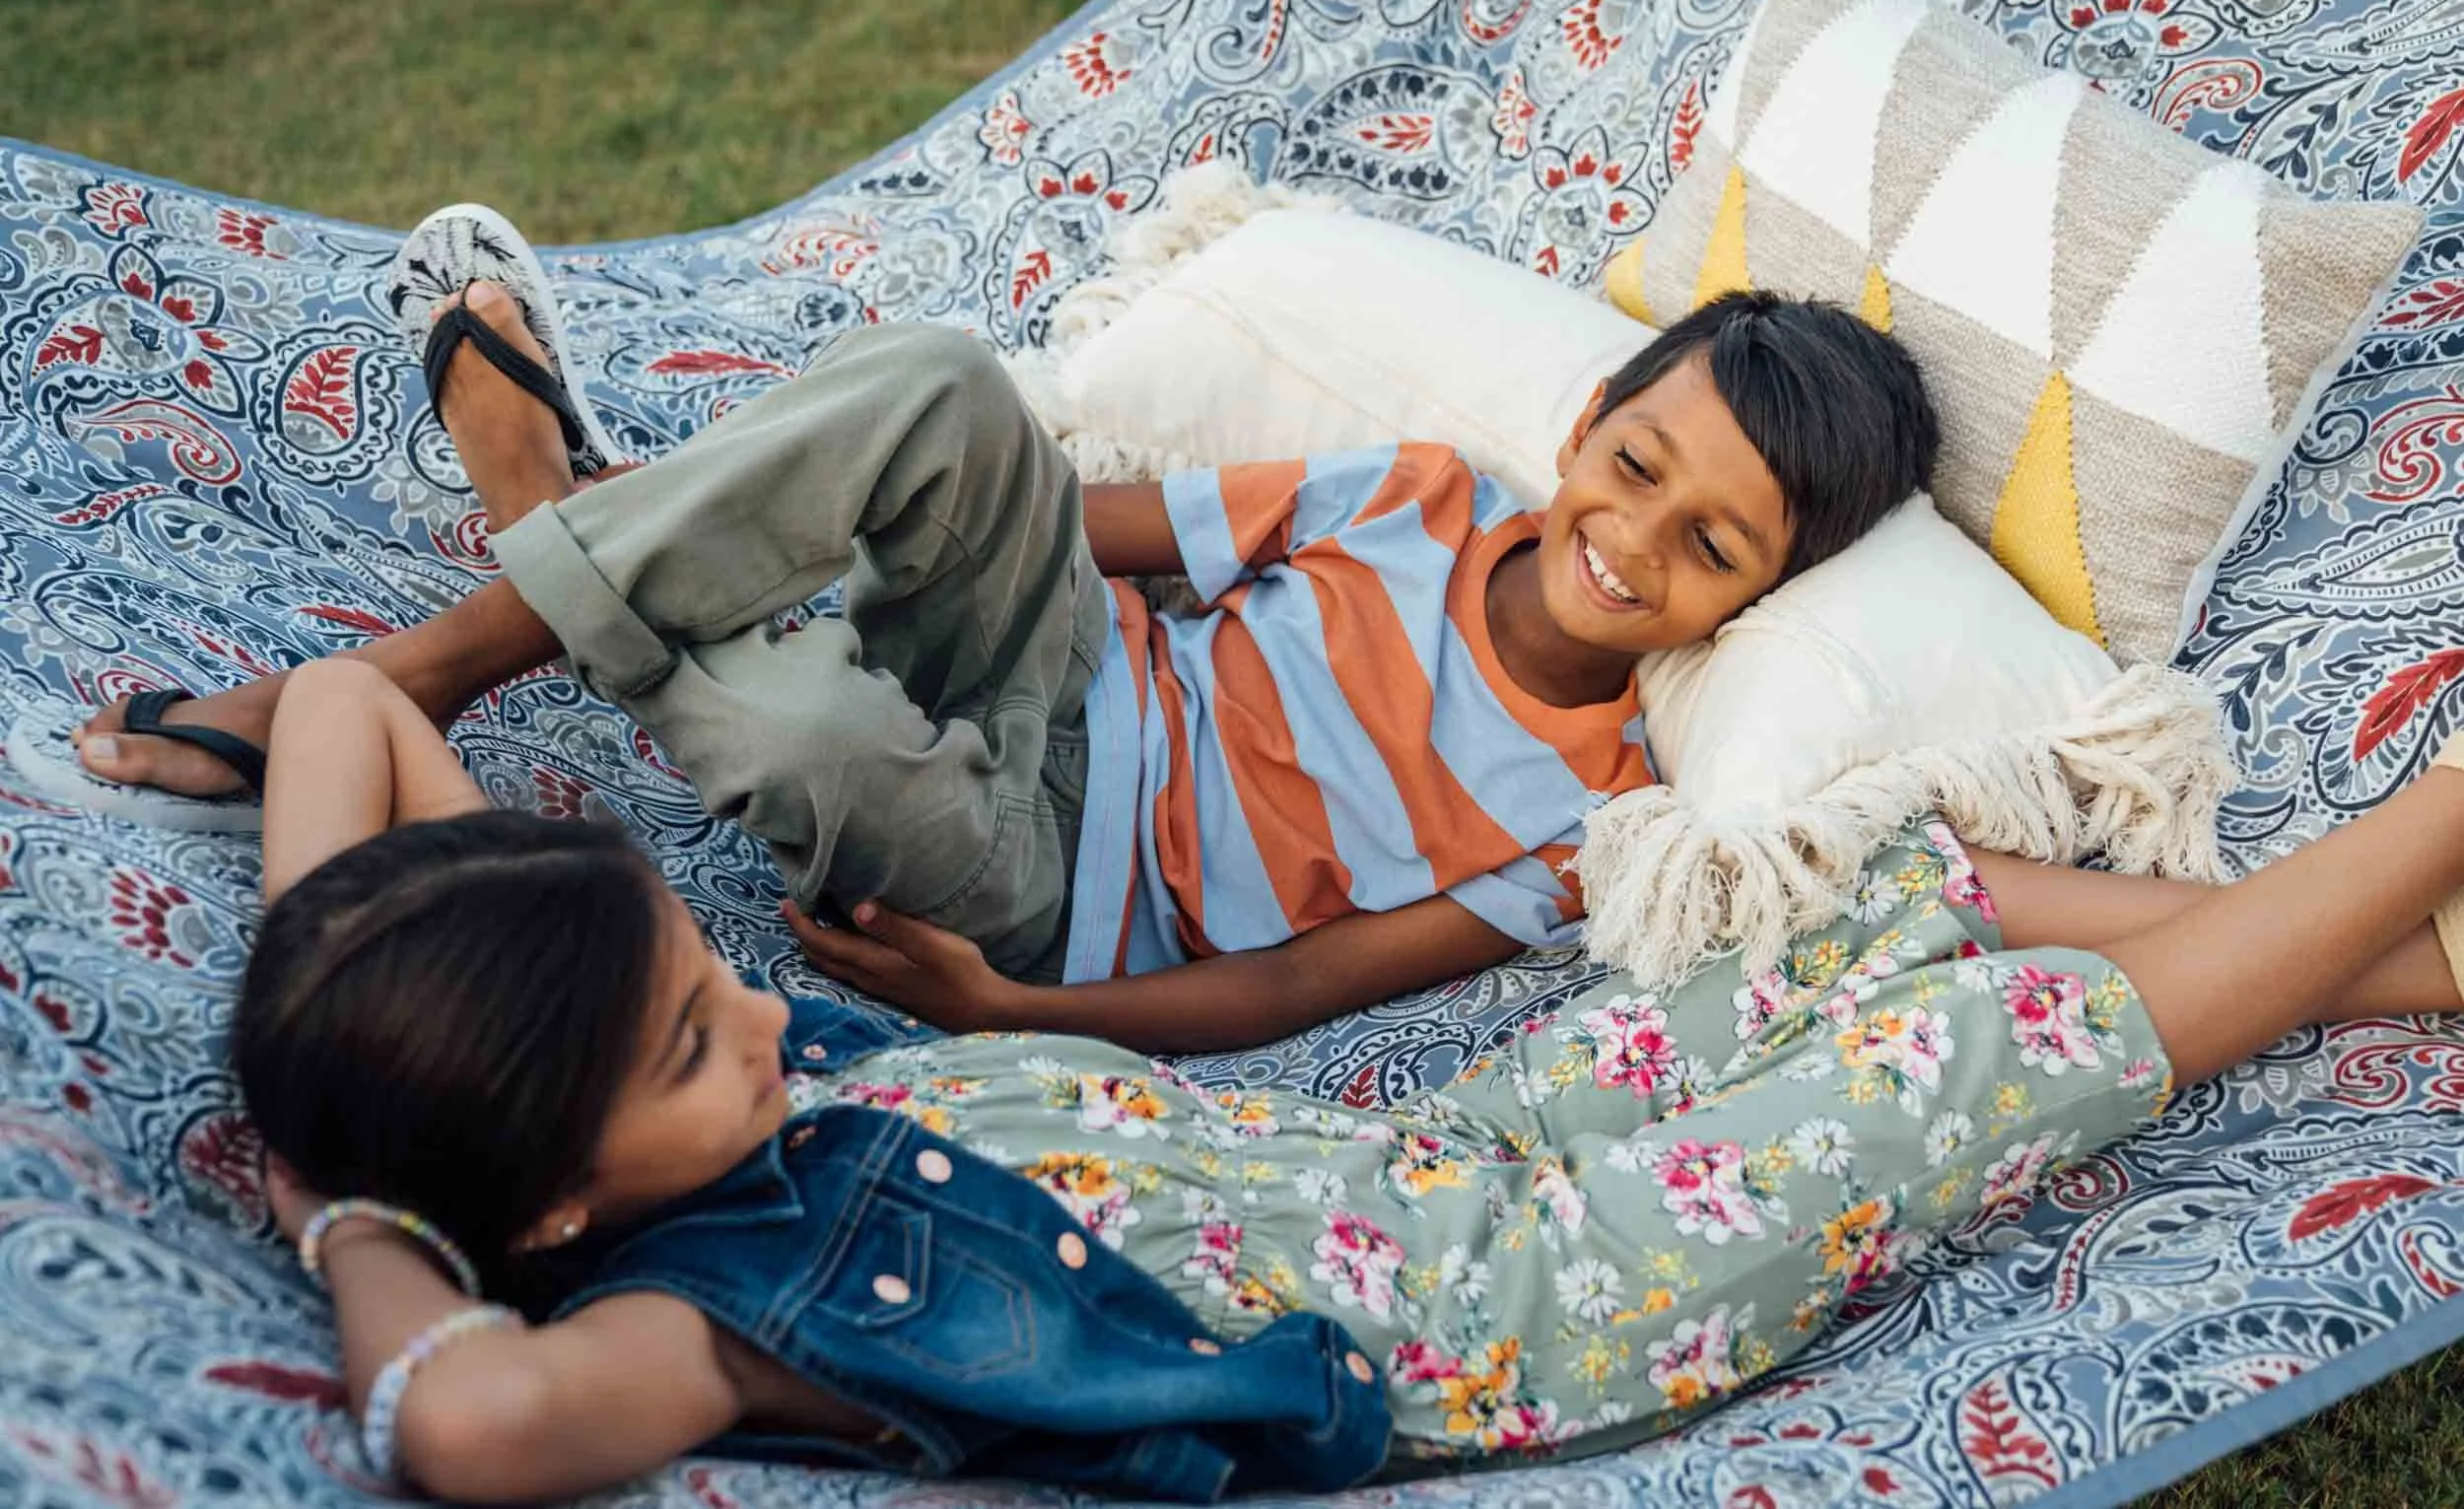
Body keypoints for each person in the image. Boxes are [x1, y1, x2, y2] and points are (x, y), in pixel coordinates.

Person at [240, 580, 2464, 1501]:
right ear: (542, 1200)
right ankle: (2421, 835)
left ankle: (2390, 950)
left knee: (1882, 910)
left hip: (1446, 1149)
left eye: (709, 980)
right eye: (698, 1039)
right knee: (1992, 1042)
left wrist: (325, 1031)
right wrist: (354, 1210)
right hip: (1540, 1291)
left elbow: (349, 710)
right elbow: (469, 1421)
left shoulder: (563, 1076)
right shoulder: (693, 1309)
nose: (755, 1007)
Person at [69, 220, 1937, 1051]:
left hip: (1046, 878)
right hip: (1056, 673)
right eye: (1634, 465)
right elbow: (1055, 515)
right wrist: (854, 492)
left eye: (1709, 549)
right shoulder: (1425, 495)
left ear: (1754, 600)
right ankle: (441, 658)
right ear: (1594, 411)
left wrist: (1019, 1011)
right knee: (951, 385)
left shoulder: (1592, 813)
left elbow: (1287, 991)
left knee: (812, 736)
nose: (1635, 542)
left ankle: (544, 510)